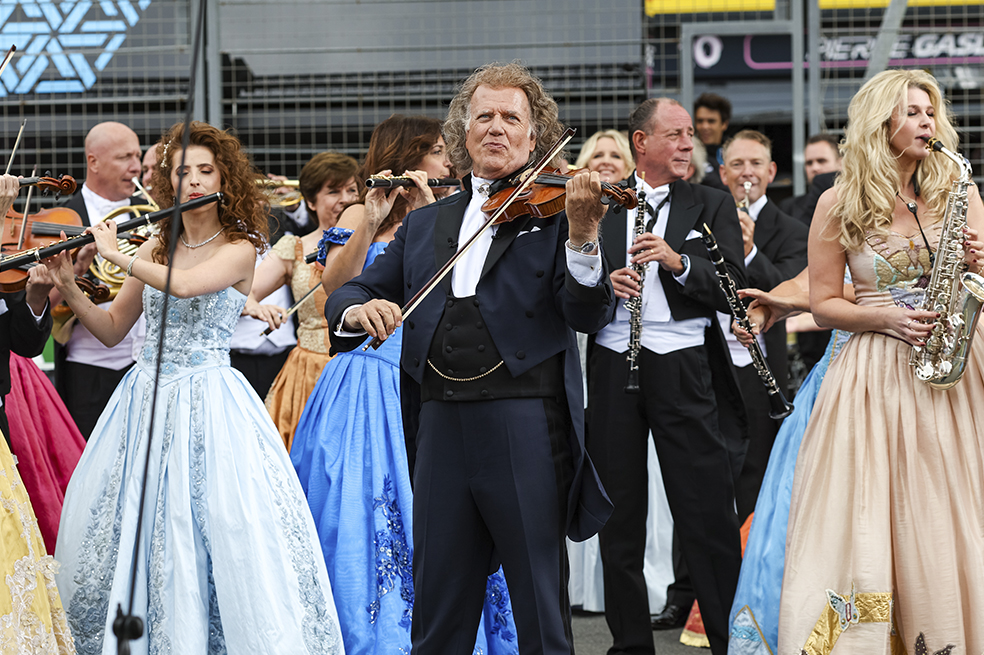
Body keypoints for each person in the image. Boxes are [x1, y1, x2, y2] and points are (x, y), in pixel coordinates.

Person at [325, 63, 615, 655]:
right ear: (463, 130)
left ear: (535, 138)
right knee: (439, 607)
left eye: (512, 118)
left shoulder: (560, 212)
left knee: (539, 607)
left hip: (524, 425)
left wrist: (585, 238)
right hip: (439, 428)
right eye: (483, 116)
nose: (496, 128)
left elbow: (587, 313)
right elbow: (354, 291)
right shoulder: (427, 223)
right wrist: (356, 312)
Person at [45, 121, 343, 654]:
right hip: (143, 399)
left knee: (213, 524)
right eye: (183, 173)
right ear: (168, 184)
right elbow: (114, 329)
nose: (197, 181)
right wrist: (68, 285)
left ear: (225, 174)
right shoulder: (160, 242)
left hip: (209, 397)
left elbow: (184, 285)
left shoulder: (242, 247)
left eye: (207, 170)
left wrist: (115, 255)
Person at [292, 115, 522, 655]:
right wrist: (370, 222)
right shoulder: (356, 210)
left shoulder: (451, 212)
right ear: (410, 156)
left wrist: (426, 219)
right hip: (364, 378)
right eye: (439, 152)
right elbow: (335, 289)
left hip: (426, 372)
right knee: (357, 502)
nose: (448, 163)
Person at [778, 69, 984, 653]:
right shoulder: (837, 200)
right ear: (880, 122)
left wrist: (978, 260)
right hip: (877, 375)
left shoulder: (960, 190)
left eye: (930, 111)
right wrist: (885, 317)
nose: (927, 122)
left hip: (958, 370)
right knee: (874, 516)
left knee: (954, 514)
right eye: (912, 111)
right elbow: (822, 305)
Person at [585, 97, 744, 655]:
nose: (686, 144)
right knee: (619, 516)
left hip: (682, 367)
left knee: (706, 512)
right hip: (611, 363)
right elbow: (571, 284)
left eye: (688, 136)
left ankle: (728, 641)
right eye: (674, 134)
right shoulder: (599, 202)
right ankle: (630, 646)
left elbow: (732, 288)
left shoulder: (710, 203)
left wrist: (679, 263)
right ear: (641, 143)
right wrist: (605, 284)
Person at [717, 129, 808, 522]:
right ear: (723, 174)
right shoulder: (708, 218)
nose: (746, 173)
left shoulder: (792, 230)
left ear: (771, 171)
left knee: (756, 471)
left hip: (762, 367)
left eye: (755, 163)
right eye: (737, 164)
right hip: (712, 362)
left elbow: (789, 292)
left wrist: (750, 251)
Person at [243, 150, 359, 448]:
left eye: (352, 190)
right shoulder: (294, 247)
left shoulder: (374, 243)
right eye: (333, 191)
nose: (345, 199)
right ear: (311, 201)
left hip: (359, 367)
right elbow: (245, 292)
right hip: (307, 373)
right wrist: (255, 306)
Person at [55, 121, 147, 438]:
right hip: (90, 370)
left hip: (147, 367)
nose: (136, 167)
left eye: (137, 156)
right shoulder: (63, 218)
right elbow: (41, 302)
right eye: (124, 157)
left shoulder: (151, 214)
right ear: (93, 161)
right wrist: (78, 268)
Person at [779, 133, 842, 224]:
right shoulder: (788, 208)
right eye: (809, 163)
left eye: (821, 161)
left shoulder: (854, 204)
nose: (815, 168)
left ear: (840, 164)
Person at [693, 92, 731, 191]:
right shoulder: (689, 155)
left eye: (711, 121)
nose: (705, 127)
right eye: (700, 121)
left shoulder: (734, 153)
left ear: (724, 124)